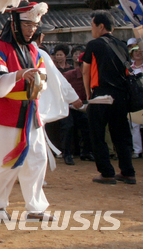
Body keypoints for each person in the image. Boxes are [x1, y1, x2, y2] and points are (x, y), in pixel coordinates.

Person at [0, 1, 52, 221]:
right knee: (2, 161)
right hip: (8, 114)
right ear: (14, 23)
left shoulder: (33, 49)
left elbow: (43, 75)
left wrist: (40, 82)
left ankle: (35, 207)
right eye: (27, 24)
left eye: (34, 25)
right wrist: (20, 74)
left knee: (37, 159)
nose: (32, 29)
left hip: (32, 112)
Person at [83, 11, 136, 184]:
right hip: (121, 96)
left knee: (97, 134)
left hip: (101, 95)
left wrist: (88, 94)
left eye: (92, 25)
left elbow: (86, 71)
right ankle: (128, 172)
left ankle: (107, 173)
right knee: (121, 134)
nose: (92, 29)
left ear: (101, 26)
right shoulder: (122, 45)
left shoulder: (94, 44)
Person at [61, 46, 94, 164]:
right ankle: (67, 153)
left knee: (88, 124)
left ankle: (86, 152)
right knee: (68, 126)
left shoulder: (92, 76)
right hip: (67, 106)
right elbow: (60, 90)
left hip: (82, 107)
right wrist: (70, 101)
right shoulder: (69, 75)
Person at [127, 38, 143, 159]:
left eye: (140, 51)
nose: (137, 53)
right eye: (135, 51)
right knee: (134, 125)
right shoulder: (129, 68)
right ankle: (137, 150)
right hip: (134, 99)